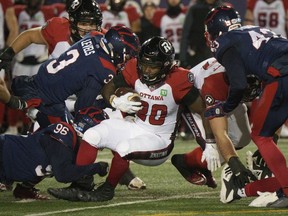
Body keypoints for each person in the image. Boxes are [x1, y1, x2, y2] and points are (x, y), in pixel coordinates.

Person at [49, 36, 218, 202]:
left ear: (166, 66)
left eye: (152, 67)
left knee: (124, 148)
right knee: (92, 135)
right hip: (136, 126)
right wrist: (115, 100)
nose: (146, 71)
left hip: (159, 141)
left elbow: (203, 111)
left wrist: (208, 142)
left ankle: (107, 190)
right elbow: (110, 86)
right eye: (143, 65)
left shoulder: (180, 79)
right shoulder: (133, 67)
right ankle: (81, 183)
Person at [204, 5, 288, 207]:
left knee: (260, 135)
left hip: (281, 74)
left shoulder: (225, 42)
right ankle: (254, 189)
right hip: (282, 67)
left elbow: (239, 83)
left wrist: (227, 106)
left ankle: (285, 192)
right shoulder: (253, 30)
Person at [0, 97, 110, 200]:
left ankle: (23, 188)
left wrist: (24, 189)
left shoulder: (74, 144)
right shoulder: (65, 133)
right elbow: (63, 174)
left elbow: (42, 164)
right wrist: (96, 168)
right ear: (86, 127)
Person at [171, 57, 257, 189]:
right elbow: (219, 132)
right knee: (212, 147)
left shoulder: (252, 66)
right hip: (198, 102)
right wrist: (236, 166)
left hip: (227, 94)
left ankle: (203, 166)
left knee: (242, 138)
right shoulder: (213, 83)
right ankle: (184, 161)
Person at [179, 0, 222, 69]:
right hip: (197, 55)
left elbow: (230, 35)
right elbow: (185, 34)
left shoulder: (223, 9)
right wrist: (183, 59)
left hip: (219, 55)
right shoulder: (194, 9)